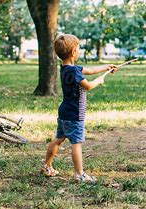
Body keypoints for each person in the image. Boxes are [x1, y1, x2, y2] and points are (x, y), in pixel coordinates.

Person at [40, 34, 117, 182]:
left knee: (58, 139)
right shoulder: (74, 71)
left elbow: (89, 70)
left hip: (64, 112)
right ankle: (79, 174)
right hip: (75, 114)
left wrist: (106, 67)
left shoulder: (65, 68)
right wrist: (100, 81)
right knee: (76, 142)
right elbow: (87, 86)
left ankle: (47, 166)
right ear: (74, 52)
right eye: (79, 48)